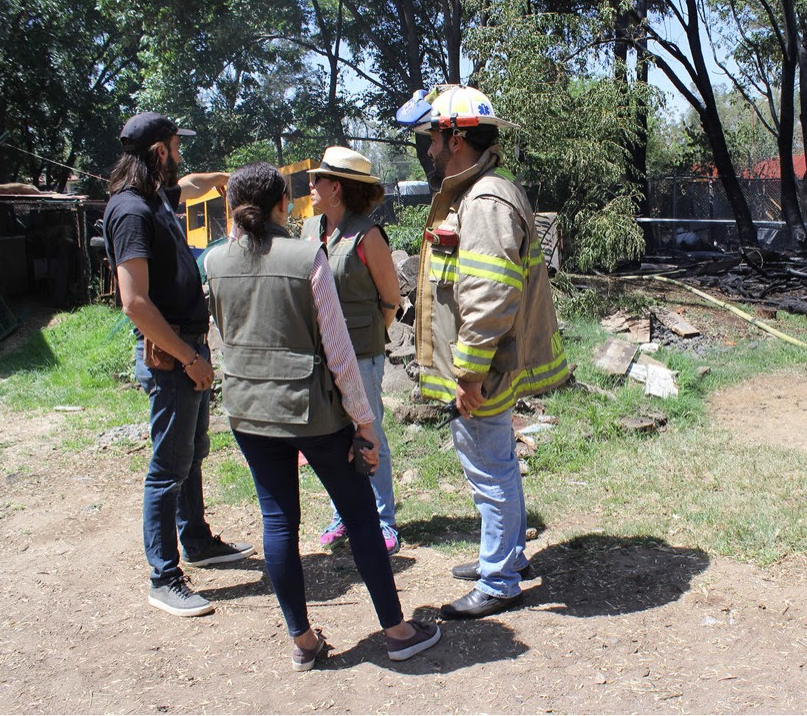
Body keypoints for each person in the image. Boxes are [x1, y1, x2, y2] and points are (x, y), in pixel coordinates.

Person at [203, 162, 440, 670]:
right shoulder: (306, 254)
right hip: (313, 411)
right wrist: (365, 423)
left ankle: (303, 642)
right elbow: (338, 351)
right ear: (281, 207)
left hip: (248, 410)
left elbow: (224, 333)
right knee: (360, 516)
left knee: (277, 522)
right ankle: (397, 632)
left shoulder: (214, 261)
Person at [395, 85, 570, 619]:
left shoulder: (486, 200)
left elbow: (490, 296)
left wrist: (468, 374)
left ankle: (498, 580)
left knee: (487, 467)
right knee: (497, 463)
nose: (427, 150)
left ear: (456, 137)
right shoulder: (476, 192)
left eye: (432, 139)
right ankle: (507, 558)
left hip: (483, 368)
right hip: (486, 362)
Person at [103, 111, 255, 618]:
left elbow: (190, 185)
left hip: (188, 352)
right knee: (168, 468)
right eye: (176, 145)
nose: (181, 154)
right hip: (171, 357)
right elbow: (135, 302)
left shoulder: (154, 198)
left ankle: (198, 542)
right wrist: (190, 357)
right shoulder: (130, 212)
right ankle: (164, 577)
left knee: (191, 455)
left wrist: (225, 180)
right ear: (159, 152)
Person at [301, 147, 402, 555]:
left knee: (369, 432)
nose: (311, 186)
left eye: (318, 180)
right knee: (332, 436)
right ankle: (344, 513)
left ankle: (382, 519)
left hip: (361, 354)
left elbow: (391, 301)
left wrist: (367, 337)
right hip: (321, 356)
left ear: (336, 189)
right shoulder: (310, 230)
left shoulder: (368, 235)